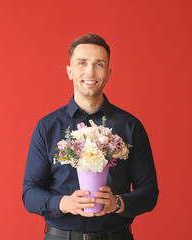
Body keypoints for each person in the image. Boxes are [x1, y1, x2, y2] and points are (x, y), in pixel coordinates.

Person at [22, 33, 159, 240]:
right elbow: (30, 193)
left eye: (99, 64)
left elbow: (149, 192)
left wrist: (119, 203)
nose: (90, 71)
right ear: (70, 71)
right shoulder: (47, 127)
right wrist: (64, 203)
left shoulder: (130, 126)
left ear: (108, 73)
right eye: (82, 63)